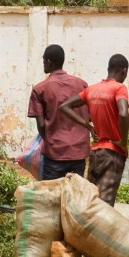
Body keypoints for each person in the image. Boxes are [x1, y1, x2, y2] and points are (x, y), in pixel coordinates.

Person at [58, 54, 129, 204]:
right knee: (104, 204)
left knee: (90, 199)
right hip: (112, 153)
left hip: (95, 153)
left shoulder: (92, 89)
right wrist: (123, 142)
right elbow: (123, 113)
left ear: (108, 68)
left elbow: (64, 106)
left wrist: (89, 127)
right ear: (123, 71)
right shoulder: (119, 88)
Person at [26, 44, 90, 179]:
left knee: (52, 194)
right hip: (78, 151)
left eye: (44, 61)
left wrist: (49, 141)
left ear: (48, 61)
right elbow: (88, 116)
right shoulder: (82, 84)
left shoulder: (40, 89)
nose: (43, 65)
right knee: (74, 195)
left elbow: (42, 125)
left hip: (55, 152)